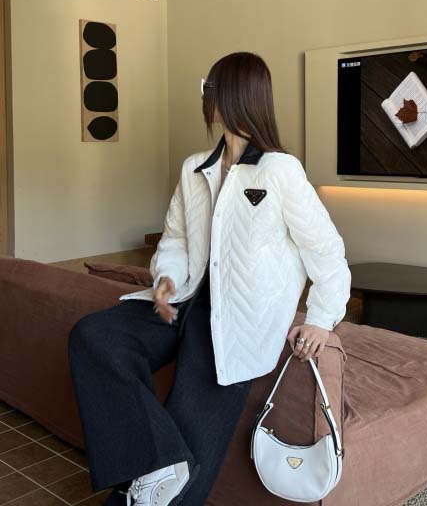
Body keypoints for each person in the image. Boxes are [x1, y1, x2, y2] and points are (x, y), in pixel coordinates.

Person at [67, 51, 351, 506]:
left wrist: (321, 317)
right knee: (94, 336)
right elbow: (177, 238)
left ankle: (149, 486)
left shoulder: (279, 171)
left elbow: (327, 251)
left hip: (235, 325)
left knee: (190, 450)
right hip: (182, 303)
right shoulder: (194, 168)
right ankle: (162, 464)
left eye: (211, 87)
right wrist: (165, 279)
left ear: (236, 95)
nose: (205, 96)